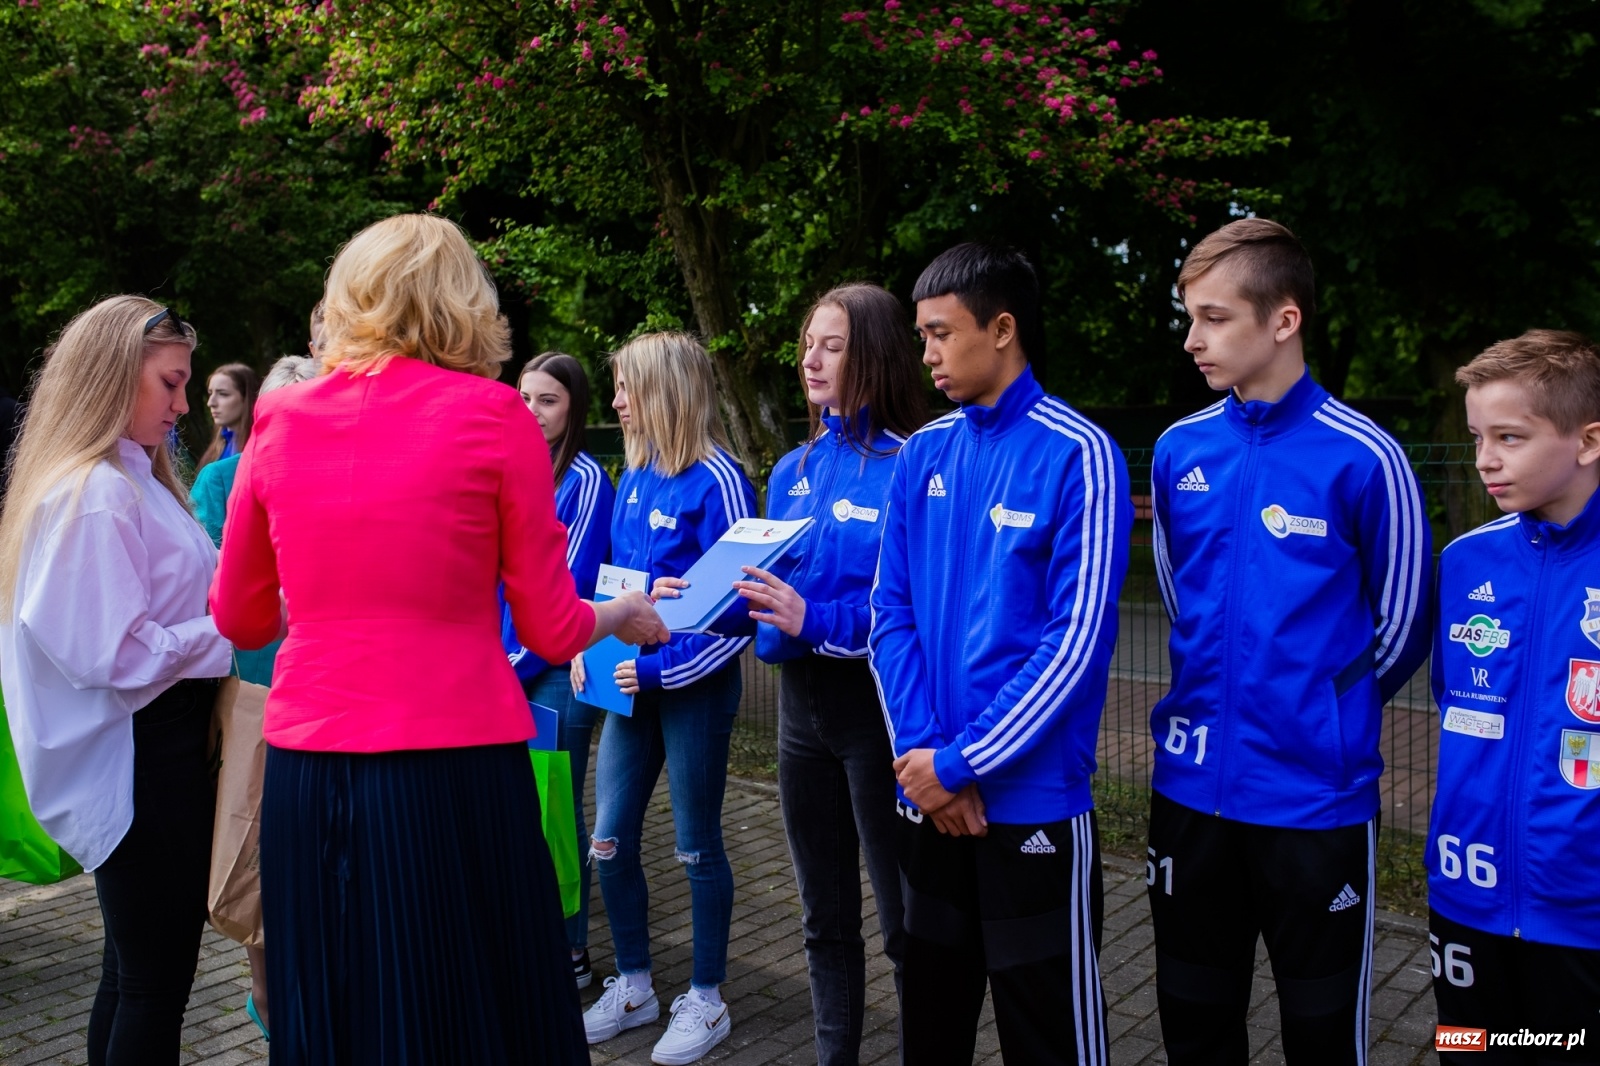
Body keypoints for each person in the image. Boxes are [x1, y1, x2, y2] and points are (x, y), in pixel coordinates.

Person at [209, 213, 667, 1064]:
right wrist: (622, 614)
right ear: (465, 304)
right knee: (471, 1009)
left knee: (336, 1005)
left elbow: (238, 619)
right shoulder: (495, 416)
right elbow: (551, 625)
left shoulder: (278, 418)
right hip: (455, 761)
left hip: (311, 764)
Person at [1147, 218, 1431, 1066]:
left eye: (1214, 317)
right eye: (1188, 317)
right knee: (1194, 1025)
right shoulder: (1178, 449)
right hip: (1191, 795)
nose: (1193, 339)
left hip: (1314, 804)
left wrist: (1318, 714)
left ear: (1284, 320)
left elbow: (1406, 622)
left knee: (1320, 1034)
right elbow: (1181, 601)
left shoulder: (1366, 458)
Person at [869, 243, 1131, 1065]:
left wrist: (963, 762)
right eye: (922, 336)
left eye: (942, 333)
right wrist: (923, 758)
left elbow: (1076, 642)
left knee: (1047, 1035)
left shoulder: (1080, 454)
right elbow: (890, 615)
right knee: (931, 1027)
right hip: (930, 799)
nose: (927, 354)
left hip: (1030, 806)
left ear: (1004, 328)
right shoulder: (922, 454)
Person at [0, 295, 233, 1064]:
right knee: (153, 984)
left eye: (186, 384)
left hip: (151, 748)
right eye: (168, 384)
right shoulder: (94, 492)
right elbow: (118, 654)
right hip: (142, 755)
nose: (183, 404)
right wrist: (228, 630)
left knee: (133, 977)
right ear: (109, 378)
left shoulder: (125, 475)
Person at [708, 283, 925, 1065]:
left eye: (831, 344)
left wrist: (819, 621)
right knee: (821, 913)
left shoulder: (911, 465)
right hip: (799, 718)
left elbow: (913, 618)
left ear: (872, 352)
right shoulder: (792, 470)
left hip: (876, 719)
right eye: (807, 343)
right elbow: (767, 602)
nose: (810, 358)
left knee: (903, 921)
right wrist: (693, 601)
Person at [580, 331, 756, 1065]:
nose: (616, 401)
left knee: (695, 846)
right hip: (629, 689)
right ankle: (635, 985)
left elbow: (740, 616)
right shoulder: (637, 471)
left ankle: (708, 1000)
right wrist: (598, 654)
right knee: (607, 841)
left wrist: (659, 673)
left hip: (690, 696)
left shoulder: (721, 480)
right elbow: (618, 586)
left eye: (626, 386)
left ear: (663, 389)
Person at [1427, 330, 1600, 1063]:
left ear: (1588, 440)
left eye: (1510, 436)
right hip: (1465, 899)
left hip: (1582, 919)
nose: (1485, 458)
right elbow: (1449, 696)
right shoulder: (1465, 561)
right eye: (1476, 436)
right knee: (1470, 1051)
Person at [190, 352, 318, 1043]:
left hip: (326, 693)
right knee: (254, 848)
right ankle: (266, 993)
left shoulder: (340, 473)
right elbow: (216, 586)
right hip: (256, 686)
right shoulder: (222, 479)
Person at [502, 350, 616, 989]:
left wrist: (511, 662)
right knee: (520, 807)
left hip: (554, 670)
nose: (531, 411)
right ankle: (532, 935)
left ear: (573, 409)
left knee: (557, 810)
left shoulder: (587, 480)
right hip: (507, 666)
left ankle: (572, 952)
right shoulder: (514, 471)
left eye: (547, 400)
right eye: (523, 397)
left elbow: (563, 591)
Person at [196, 362, 259, 470]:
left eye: (223, 394)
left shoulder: (259, 450)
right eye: (210, 393)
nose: (211, 403)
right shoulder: (217, 449)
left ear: (247, 399)